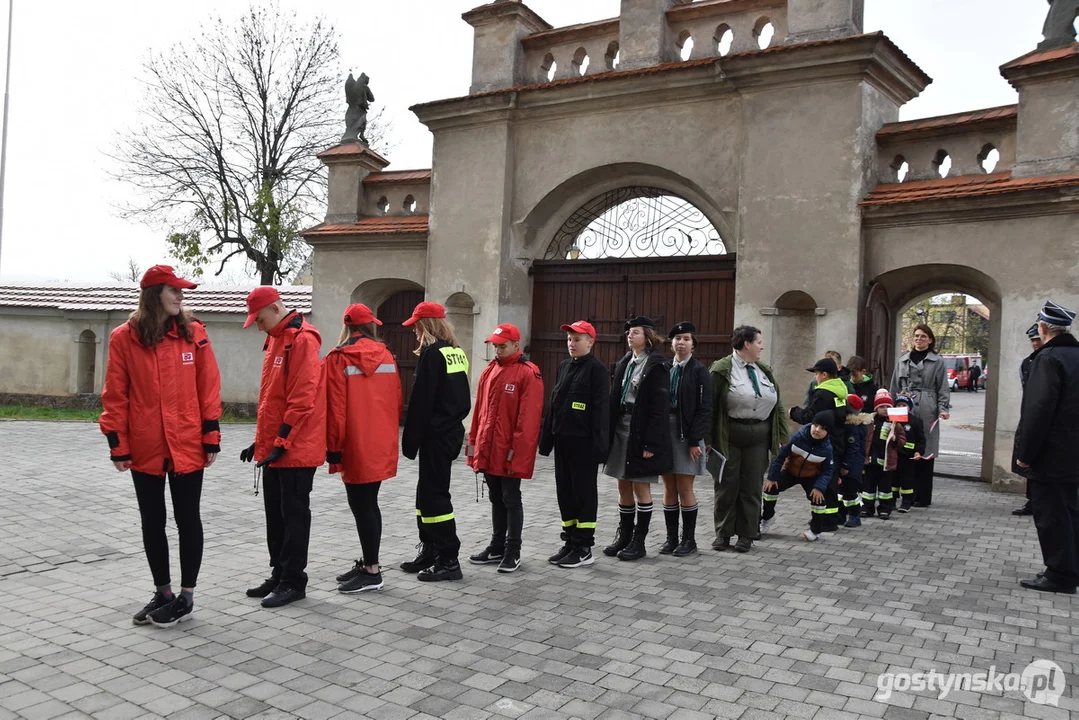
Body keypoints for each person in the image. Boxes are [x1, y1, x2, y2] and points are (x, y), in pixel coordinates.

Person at [99, 265, 222, 628]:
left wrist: (210, 434)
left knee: (188, 519)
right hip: (146, 444)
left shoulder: (193, 332)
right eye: (174, 290)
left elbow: (209, 386)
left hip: (187, 442)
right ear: (155, 294)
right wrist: (116, 443)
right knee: (152, 521)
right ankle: (163, 592)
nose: (181, 296)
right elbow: (115, 393)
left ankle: (186, 596)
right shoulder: (125, 337)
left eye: (182, 290)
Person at [240, 286, 326, 609]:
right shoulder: (276, 338)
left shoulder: (302, 339)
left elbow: (301, 398)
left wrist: (282, 441)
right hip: (277, 447)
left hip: (297, 448)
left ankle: (294, 580)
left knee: (293, 516)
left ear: (274, 309)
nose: (257, 326)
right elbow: (272, 401)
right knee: (275, 515)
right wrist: (260, 442)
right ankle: (279, 572)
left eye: (259, 319)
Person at [324, 304, 402, 594]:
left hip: (354, 441)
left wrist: (333, 448)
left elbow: (335, 409)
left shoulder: (338, 359)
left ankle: (372, 570)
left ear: (347, 328)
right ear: (371, 326)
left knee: (362, 505)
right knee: (369, 502)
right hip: (380, 440)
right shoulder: (387, 356)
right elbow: (396, 401)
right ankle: (369, 565)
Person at [399, 302, 472, 582]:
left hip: (435, 436)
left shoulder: (432, 354)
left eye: (416, 327)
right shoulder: (456, 352)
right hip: (449, 432)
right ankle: (430, 549)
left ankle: (448, 558)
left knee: (434, 497)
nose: (414, 332)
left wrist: (411, 442)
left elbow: (421, 402)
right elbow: (461, 399)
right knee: (426, 493)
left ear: (426, 326)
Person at [466, 323, 544, 574]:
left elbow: (528, 421)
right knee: (495, 497)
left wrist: (516, 455)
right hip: (489, 447)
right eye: (495, 346)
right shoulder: (490, 371)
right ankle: (497, 545)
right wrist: (473, 446)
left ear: (515, 345)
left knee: (511, 499)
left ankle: (513, 550)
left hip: (509, 451)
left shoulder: (527, 373)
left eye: (502, 346)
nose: (498, 350)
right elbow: (480, 412)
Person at [1016, 301, 1079, 594]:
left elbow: (1038, 411)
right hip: (1073, 455)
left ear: (1042, 328)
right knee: (1071, 511)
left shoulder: (1047, 359)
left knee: (1052, 515)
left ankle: (1060, 574)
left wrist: (1025, 455)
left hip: (1051, 455)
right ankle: (1071, 567)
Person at [538, 321, 610, 569]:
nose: (572, 343)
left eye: (577, 339)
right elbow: (554, 405)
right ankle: (569, 541)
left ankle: (583, 547)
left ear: (590, 341)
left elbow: (601, 411)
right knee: (565, 492)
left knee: (583, 494)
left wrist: (600, 447)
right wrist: (546, 440)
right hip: (563, 440)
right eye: (569, 339)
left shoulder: (597, 370)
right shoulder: (564, 366)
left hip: (584, 443)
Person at [710, 325, 788, 553]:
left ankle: (747, 534)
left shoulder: (764, 370)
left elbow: (778, 405)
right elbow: (710, 408)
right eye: (759, 342)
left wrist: (783, 436)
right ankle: (723, 534)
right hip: (730, 436)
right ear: (746, 344)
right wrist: (706, 440)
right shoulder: (721, 369)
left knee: (752, 486)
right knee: (727, 485)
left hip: (759, 436)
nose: (762, 346)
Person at [604, 316, 673, 561]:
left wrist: (651, 443)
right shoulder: (625, 362)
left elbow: (659, 408)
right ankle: (624, 536)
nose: (629, 336)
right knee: (622, 483)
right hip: (622, 426)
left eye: (635, 332)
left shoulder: (657, 365)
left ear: (648, 336)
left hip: (641, 430)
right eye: (628, 333)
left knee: (640, 485)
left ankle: (639, 541)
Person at [659, 322, 712, 557]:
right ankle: (671, 538)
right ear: (671, 343)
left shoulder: (699, 371)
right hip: (665, 432)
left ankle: (689, 539)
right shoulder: (663, 368)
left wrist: (694, 439)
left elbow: (705, 407)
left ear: (693, 344)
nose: (681, 342)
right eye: (677, 338)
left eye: (686, 338)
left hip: (687, 434)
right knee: (668, 486)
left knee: (684, 486)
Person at [890, 324, 950, 508]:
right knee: (904, 446)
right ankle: (906, 493)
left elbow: (943, 387)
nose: (919, 339)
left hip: (927, 408)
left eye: (923, 336)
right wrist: (891, 409)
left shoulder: (937, 361)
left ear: (930, 339)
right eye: (916, 336)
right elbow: (894, 386)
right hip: (905, 406)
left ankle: (923, 496)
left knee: (925, 450)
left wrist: (943, 408)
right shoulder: (903, 360)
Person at [761, 412, 837, 542]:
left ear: (828, 432)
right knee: (770, 489)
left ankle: (815, 531)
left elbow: (828, 470)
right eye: (816, 425)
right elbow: (779, 457)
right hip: (790, 473)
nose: (817, 430)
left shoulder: (827, 449)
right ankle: (767, 517)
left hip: (810, 477)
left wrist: (819, 487)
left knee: (819, 500)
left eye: (823, 428)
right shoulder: (796, 438)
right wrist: (772, 477)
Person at [1013, 323, 1044, 517]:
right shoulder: (1028, 362)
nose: (1035, 343)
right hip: (1031, 416)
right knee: (1028, 462)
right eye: (1032, 340)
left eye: (1037, 339)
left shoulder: (1050, 359)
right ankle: (1032, 500)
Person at [862, 389, 900, 520]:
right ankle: (867, 508)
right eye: (881, 407)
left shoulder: (894, 423)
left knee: (885, 489)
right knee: (868, 488)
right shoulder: (869, 421)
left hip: (885, 462)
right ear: (876, 408)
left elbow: (902, 440)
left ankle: (884, 509)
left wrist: (896, 439)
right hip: (870, 461)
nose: (885, 409)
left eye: (888, 407)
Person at [835, 394, 872, 528]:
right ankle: (841, 514)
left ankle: (855, 515)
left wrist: (846, 465)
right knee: (841, 492)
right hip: (849, 464)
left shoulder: (852, 427)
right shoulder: (854, 424)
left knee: (850, 492)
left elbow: (853, 448)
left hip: (852, 466)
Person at [892, 393, 926, 513]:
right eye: (898, 405)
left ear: (909, 407)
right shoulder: (892, 420)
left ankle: (906, 502)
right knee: (893, 480)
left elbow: (921, 440)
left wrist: (918, 452)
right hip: (893, 455)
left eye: (904, 405)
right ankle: (891, 501)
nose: (901, 407)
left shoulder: (915, 422)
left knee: (907, 479)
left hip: (908, 456)